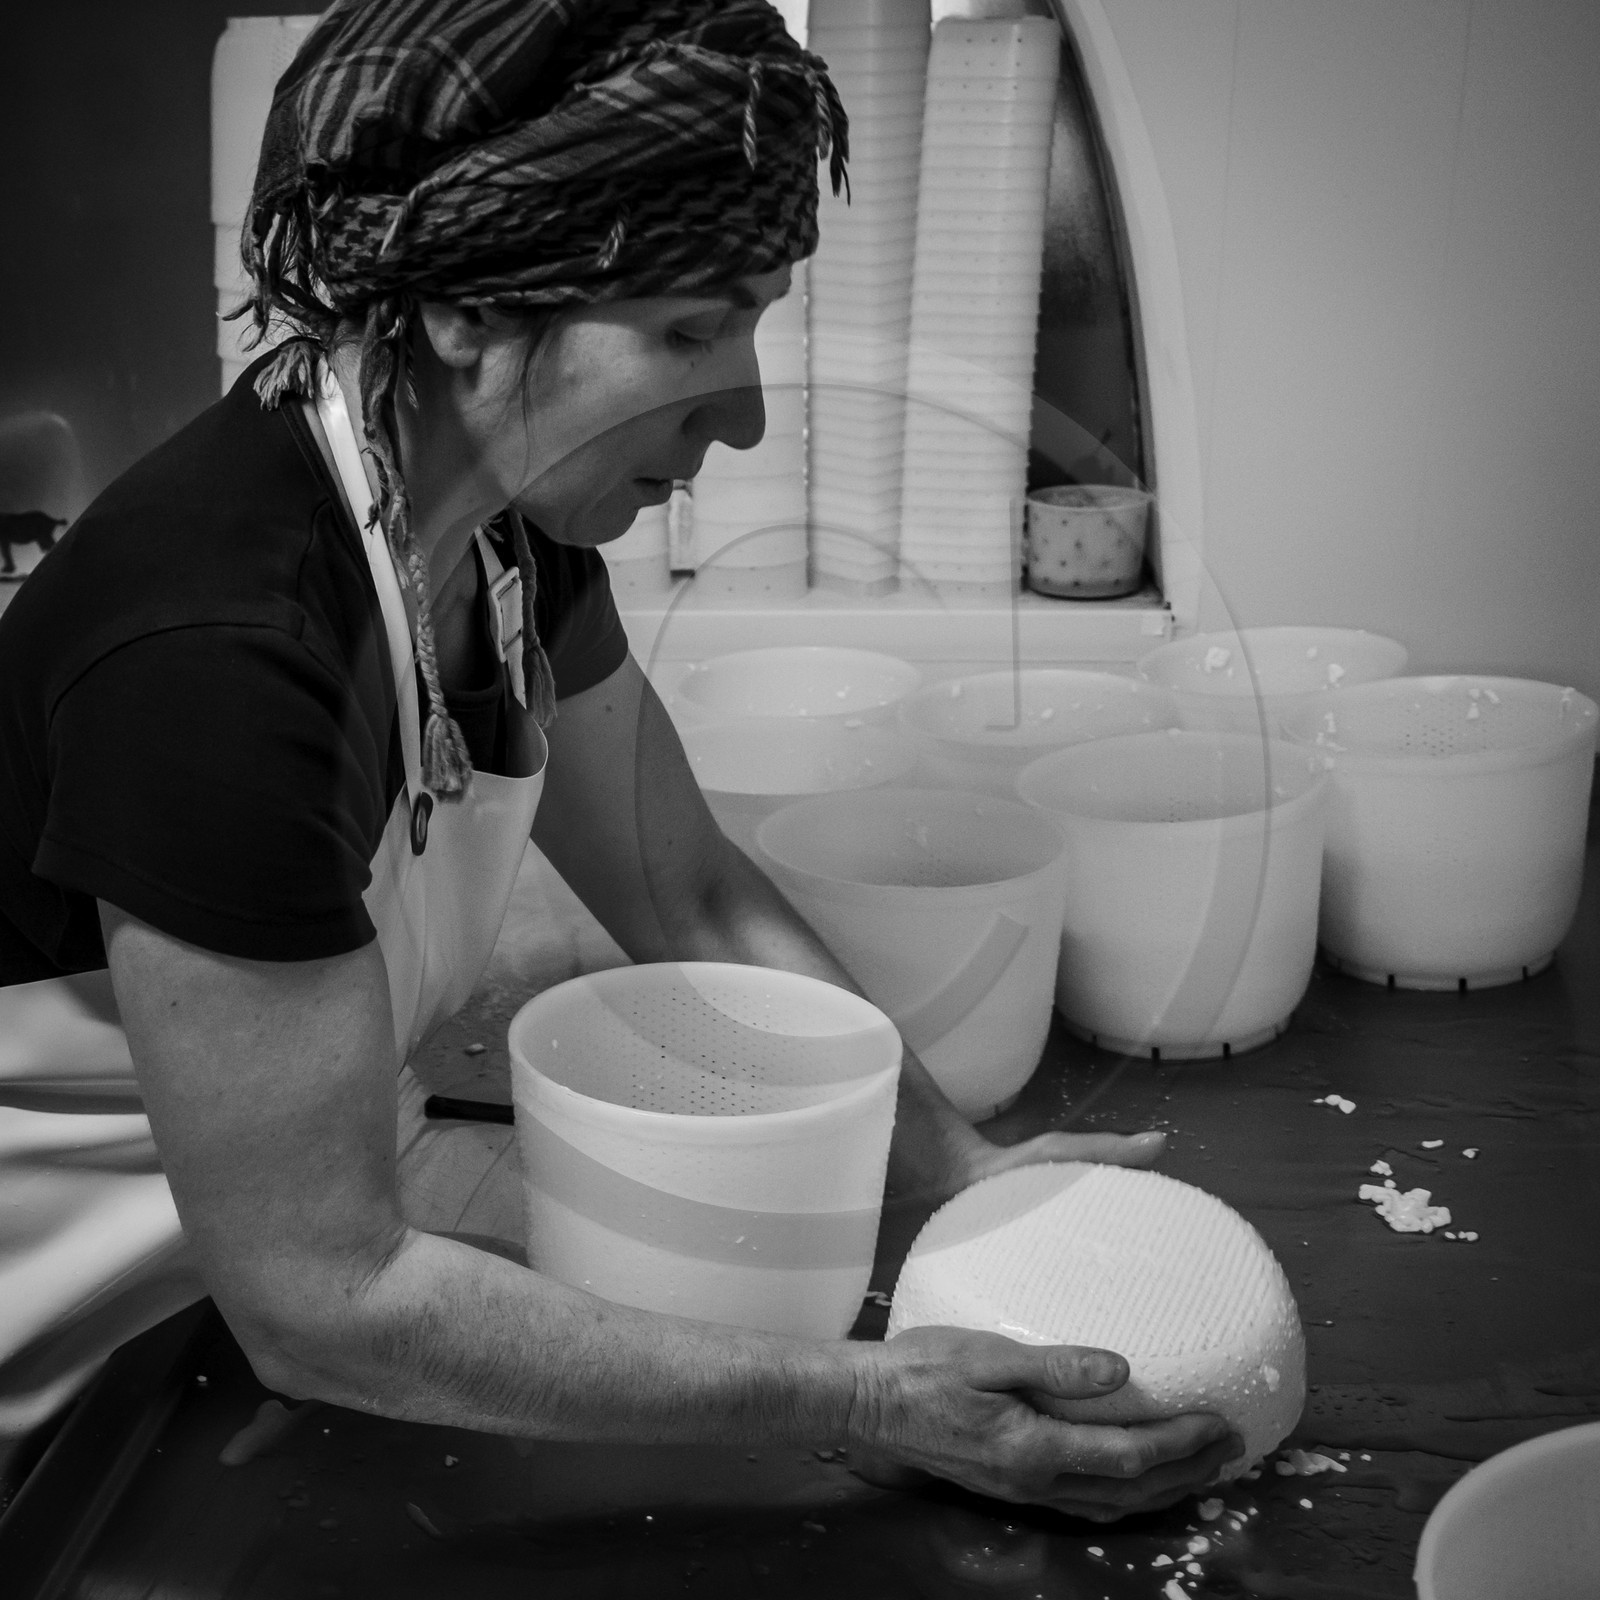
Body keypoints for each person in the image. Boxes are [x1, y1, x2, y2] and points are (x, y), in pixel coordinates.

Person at [0, 0, 1240, 1519]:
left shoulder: (502, 535)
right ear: (464, 311)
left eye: (756, 320)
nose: (748, 415)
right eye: (685, 331)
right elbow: (325, 1300)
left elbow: (687, 887)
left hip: (214, 1297)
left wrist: (953, 1165)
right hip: (55, 1394)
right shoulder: (218, 661)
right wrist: (868, 1397)